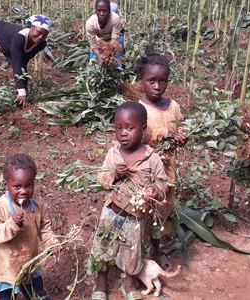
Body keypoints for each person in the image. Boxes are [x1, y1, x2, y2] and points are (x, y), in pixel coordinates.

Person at [91, 101, 168, 300]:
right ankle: (101, 283)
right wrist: (114, 175)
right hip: (112, 212)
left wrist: (154, 190)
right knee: (104, 247)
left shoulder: (152, 158)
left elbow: (163, 182)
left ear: (142, 130)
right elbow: (101, 179)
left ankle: (129, 283)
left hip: (136, 217)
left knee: (132, 253)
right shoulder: (113, 154)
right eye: (119, 128)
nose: (123, 133)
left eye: (130, 128)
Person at [135, 46, 189, 271]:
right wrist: (161, 134)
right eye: (151, 81)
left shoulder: (174, 107)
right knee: (143, 211)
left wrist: (182, 136)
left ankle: (155, 250)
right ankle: (136, 251)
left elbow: (181, 128)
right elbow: (137, 137)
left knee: (161, 211)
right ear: (141, 80)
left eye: (163, 81)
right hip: (146, 172)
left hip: (167, 170)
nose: (157, 87)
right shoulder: (138, 109)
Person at [0, 154, 62, 299]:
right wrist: (11, 224)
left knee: (36, 294)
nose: (24, 191)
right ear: (5, 184)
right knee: (6, 296)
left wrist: (51, 243)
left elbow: (44, 227)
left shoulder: (37, 203)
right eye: (17, 186)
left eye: (29, 185)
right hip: (5, 268)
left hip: (29, 264)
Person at [0, 15, 52, 106]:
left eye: (44, 35)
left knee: (21, 68)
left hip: (8, 43)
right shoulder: (19, 38)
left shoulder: (41, 44)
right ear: (32, 27)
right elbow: (16, 65)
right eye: (39, 32)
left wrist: (23, 89)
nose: (40, 37)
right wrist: (21, 91)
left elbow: (23, 61)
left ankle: (22, 101)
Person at [86, 0, 123, 68]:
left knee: (116, 66)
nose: (102, 13)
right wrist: (99, 56)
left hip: (114, 42)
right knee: (92, 67)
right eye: (99, 10)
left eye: (105, 10)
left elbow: (114, 40)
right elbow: (93, 46)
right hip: (99, 42)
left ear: (109, 11)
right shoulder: (90, 24)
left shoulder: (115, 19)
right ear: (95, 11)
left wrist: (109, 56)